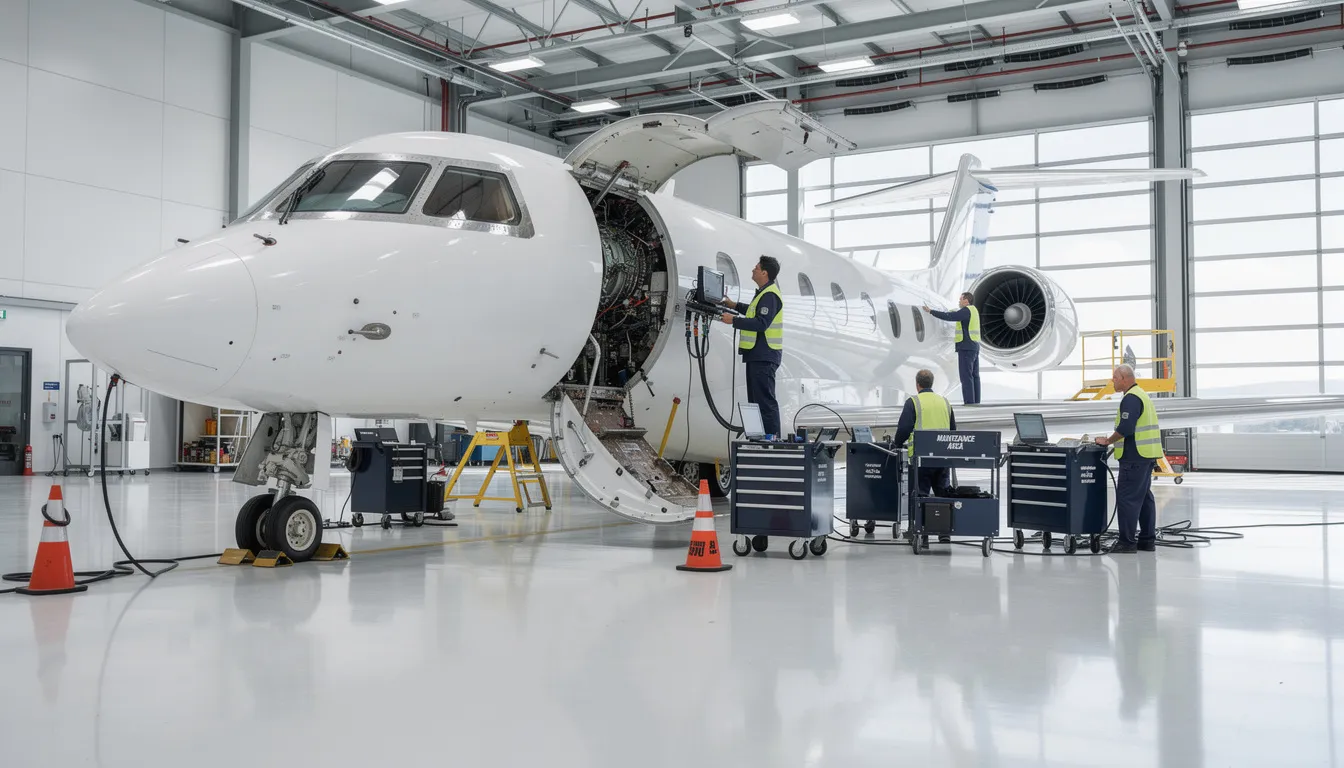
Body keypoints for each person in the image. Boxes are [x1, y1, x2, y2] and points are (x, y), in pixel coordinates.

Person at [1093, 364, 1162, 553]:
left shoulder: (1131, 398)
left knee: (1128, 499)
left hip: (1134, 457)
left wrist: (1107, 441)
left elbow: (1126, 428)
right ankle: (1147, 541)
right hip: (1146, 455)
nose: (1112, 381)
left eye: (1115, 378)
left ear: (1124, 379)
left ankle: (1126, 542)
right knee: (1144, 498)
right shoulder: (1142, 394)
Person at [721, 256, 783, 437]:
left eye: (756, 267)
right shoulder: (764, 294)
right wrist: (733, 305)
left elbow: (761, 322)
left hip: (764, 356)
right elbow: (753, 311)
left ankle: (772, 442)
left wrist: (734, 320)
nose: (753, 270)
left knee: (765, 402)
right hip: (757, 355)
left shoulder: (770, 295)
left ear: (764, 273)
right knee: (756, 402)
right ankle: (759, 440)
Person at [893, 369, 957, 498]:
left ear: (917, 384)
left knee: (919, 497)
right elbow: (953, 430)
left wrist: (897, 445)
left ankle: (920, 512)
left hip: (921, 458)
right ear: (931, 383)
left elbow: (904, 429)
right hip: (943, 458)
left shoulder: (913, 402)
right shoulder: (945, 402)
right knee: (944, 497)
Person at [922, 292, 981, 405]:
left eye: (960, 299)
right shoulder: (973, 310)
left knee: (966, 376)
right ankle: (976, 403)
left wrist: (931, 311)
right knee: (974, 376)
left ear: (966, 301)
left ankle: (969, 403)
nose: (959, 301)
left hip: (966, 347)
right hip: (974, 346)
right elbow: (955, 314)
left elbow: (950, 317)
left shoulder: (966, 311)